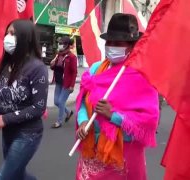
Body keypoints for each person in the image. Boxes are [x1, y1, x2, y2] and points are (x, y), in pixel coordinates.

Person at [75, 13, 160, 180]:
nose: (111, 46)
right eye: (109, 42)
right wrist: (83, 121)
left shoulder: (142, 76)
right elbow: (83, 102)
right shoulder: (95, 69)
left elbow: (147, 122)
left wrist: (113, 116)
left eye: (118, 43)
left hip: (122, 155)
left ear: (131, 46)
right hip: (92, 152)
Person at [0, 20, 48, 180]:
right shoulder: (8, 64)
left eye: (13, 34)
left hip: (28, 133)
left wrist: (5, 118)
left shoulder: (37, 68)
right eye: (7, 33)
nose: (7, 38)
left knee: (4, 177)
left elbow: (39, 107)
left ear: (25, 38)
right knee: (17, 174)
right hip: (8, 131)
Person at [50, 36, 77, 128]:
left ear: (67, 45)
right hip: (58, 82)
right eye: (59, 43)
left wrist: (72, 86)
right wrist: (52, 64)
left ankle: (59, 121)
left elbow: (74, 72)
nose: (59, 45)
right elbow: (54, 67)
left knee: (61, 102)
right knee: (56, 102)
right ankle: (68, 112)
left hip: (66, 83)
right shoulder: (59, 54)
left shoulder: (72, 57)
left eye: (61, 43)